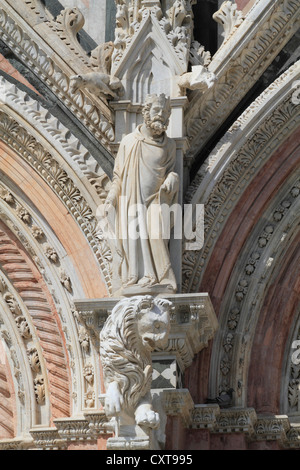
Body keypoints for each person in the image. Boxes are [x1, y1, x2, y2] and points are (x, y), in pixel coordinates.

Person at [104, 93, 179, 292]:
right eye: (156, 110)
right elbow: (118, 175)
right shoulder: (129, 142)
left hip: (156, 200)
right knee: (133, 236)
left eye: (165, 112)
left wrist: (173, 178)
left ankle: (155, 276)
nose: (160, 115)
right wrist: (111, 199)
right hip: (131, 200)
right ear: (145, 112)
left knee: (155, 235)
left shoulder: (170, 145)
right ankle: (135, 276)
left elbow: (172, 170)